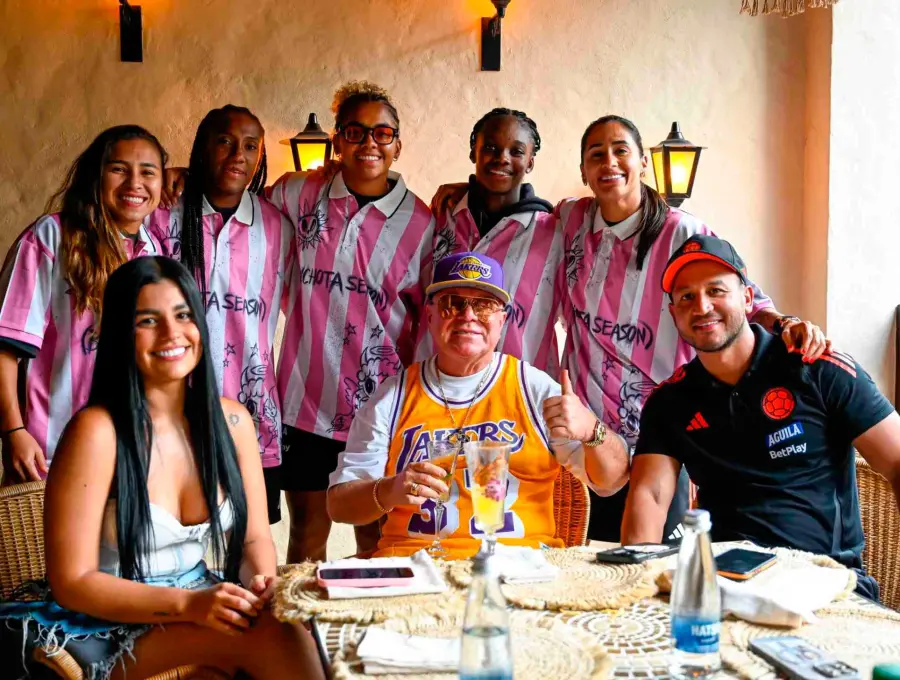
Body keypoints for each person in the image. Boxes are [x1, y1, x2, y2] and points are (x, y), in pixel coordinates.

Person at [0, 257, 325, 679]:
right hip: (102, 624)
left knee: (299, 624)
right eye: (148, 321)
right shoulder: (97, 432)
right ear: (120, 335)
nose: (172, 334)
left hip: (195, 598)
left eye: (183, 314)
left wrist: (262, 586)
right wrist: (189, 606)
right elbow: (72, 580)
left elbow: (253, 539)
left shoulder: (233, 423)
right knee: (271, 637)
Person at [557, 114, 830, 541]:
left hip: (660, 442)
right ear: (583, 171)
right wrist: (461, 190)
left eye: (620, 150)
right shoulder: (572, 222)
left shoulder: (681, 231)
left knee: (654, 575)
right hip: (590, 440)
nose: (609, 161)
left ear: (643, 161)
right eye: (596, 154)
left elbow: (743, 297)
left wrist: (788, 324)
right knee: (594, 573)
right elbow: (523, 212)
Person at [621, 234, 900, 600]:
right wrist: (633, 585)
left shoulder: (817, 368)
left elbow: (896, 461)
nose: (702, 306)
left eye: (716, 290)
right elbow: (651, 495)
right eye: (686, 296)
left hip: (827, 585)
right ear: (674, 313)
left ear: (748, 298)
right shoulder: (669, 401)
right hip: (723, 586)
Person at [327, 252, 629, 558]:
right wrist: (389, 490)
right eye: (453, 303)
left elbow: (611, 482)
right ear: (430, 315)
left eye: (484, 305)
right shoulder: (393, 397)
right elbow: (339, 506)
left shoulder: (534, 389)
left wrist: (593, 430)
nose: (468, 316)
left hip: (521, 572)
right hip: (416, 570)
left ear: (502, 319)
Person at [261, 81, 435, 562]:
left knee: (377, 543)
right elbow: (239, 210)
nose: (369, 144)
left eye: (383, 133)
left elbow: (424, 322)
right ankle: (303, 636)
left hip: (380, 407)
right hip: (303, 403)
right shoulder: (297, 194)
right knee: (306, 538)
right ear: (337, 140)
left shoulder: (421, 224)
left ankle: (368, 636)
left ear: (398, 144)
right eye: (356, 132)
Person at [147, 105, 294, 524]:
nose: (238, 155)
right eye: (225, 141)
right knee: (174, 527)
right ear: (201, 148)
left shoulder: (278, 227)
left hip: (251, 415)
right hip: (171, 409)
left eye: (251, 146)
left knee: (249, 536)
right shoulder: (162, 216)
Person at [0, 125, 166, 483]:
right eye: (119, 169)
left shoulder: (155, 253)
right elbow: (4, 347)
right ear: (96, 174)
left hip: (133, 458)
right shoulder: (52, 237)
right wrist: (13, 432)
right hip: (50, 453)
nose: (134, 183)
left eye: (148, 172)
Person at [423, 108, 563, 374]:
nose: (502, 159)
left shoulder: (554, 234)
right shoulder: (441, 216)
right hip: (437, 388)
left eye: (517, 151)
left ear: (531, 161)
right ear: (473, 152)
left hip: (520, 395)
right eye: (490, 147)